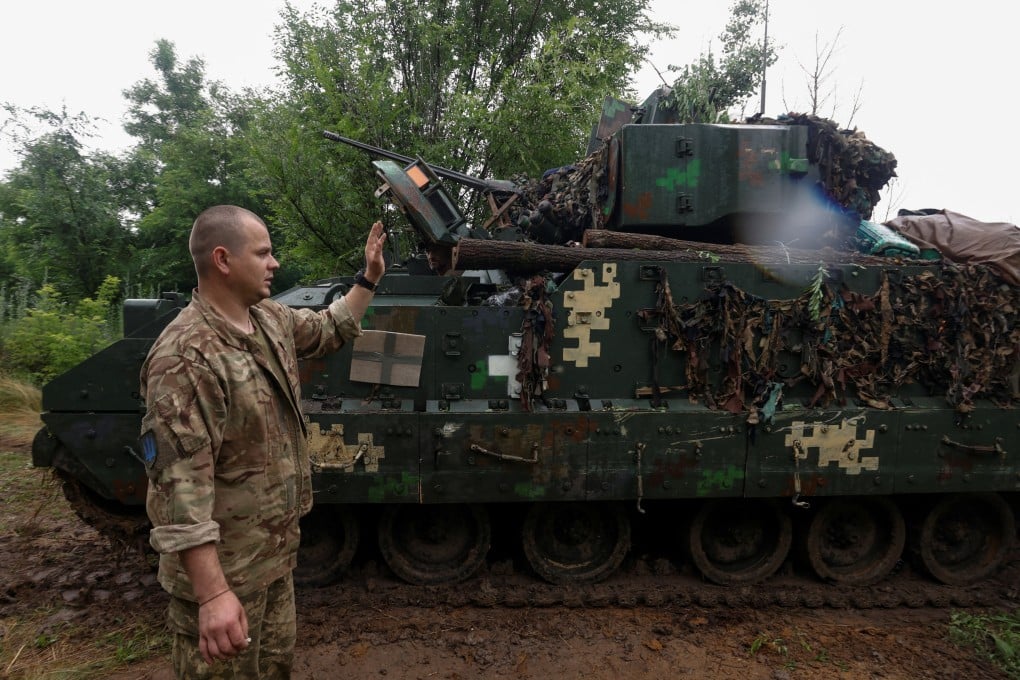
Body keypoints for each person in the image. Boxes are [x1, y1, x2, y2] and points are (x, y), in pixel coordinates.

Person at [139, 205, 386, 678]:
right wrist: (212, 595)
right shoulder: (185, 357)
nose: (274, 263)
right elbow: (179, 491)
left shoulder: (268, 320)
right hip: (225, 574)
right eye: (264, 252)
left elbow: (330, 327)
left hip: (272, 560)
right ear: (223, 260)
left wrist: (369, 278)